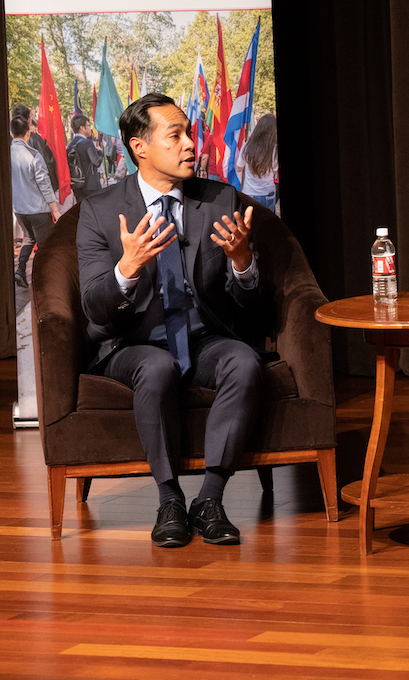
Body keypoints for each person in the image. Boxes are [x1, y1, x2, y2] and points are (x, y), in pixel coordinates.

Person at [77, 93, 267, 547]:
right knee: (156, 367)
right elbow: (94, 308)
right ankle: (169, 500)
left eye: (190, 133)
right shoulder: (101, 211)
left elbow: (253, 304)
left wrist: (242, 261)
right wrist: (127, 268)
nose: (190, 145)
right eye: (175, 135)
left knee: (243, 362)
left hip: (202, 339)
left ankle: (210, 499)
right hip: (130, 343)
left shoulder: (220, 198)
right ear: (139, 147)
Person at [10, 114, 60, 288]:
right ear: (28, 133)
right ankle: (45, 280)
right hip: (38, 210)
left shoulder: (5, 155)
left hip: (19, 209)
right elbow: (45, 185)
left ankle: (20, 271)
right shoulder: (33, 155)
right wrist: (55, 210)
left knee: (29, 239)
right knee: (47, 246)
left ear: (11, 132)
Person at [236, 114, 278, 210]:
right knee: (269, 223)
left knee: (250, 223)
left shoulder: (247, 147)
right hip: (268, 193)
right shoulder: (275, 150)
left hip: (250, 193)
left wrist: (243, 146)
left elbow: (239, 168)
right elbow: (274, 171)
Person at [67, 113, 104, 197]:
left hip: (77, 183)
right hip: (91, 185)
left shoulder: (71, 144)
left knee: (82, 208)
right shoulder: (87, 143)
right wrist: (100, 152)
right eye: (88, 125)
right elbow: (97, 162)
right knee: (95, 208)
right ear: (82, 128)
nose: (90, 128)